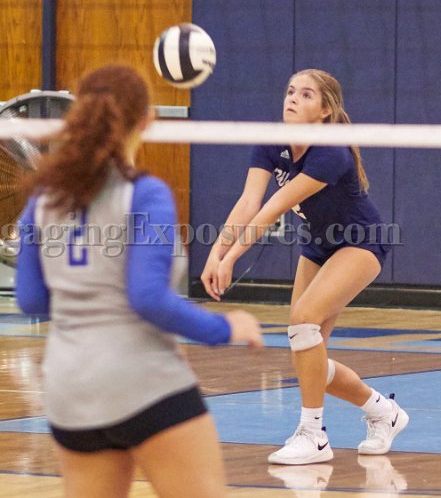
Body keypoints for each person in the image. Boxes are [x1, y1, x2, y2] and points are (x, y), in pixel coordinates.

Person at [15, 64, 263, 498]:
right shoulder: (146, 194)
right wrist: (225, 327)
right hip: (142, 381)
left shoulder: (42, 199)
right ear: (147, 121)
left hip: (70, 388)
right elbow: (147, 297)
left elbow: (31, 299)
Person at [201, 69, 408, 465]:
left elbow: (272, 208)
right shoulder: (271, 140)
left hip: (360, 241)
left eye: (306, 94)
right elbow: (248, 202)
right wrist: (216, 253)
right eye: (291, 91)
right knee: (306, 349)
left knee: (303, 319)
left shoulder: (331, 152)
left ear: (325, 110)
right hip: (318, 244)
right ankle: (384, 411)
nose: (293, 98)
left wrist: (231, 258)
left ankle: (313, 436)